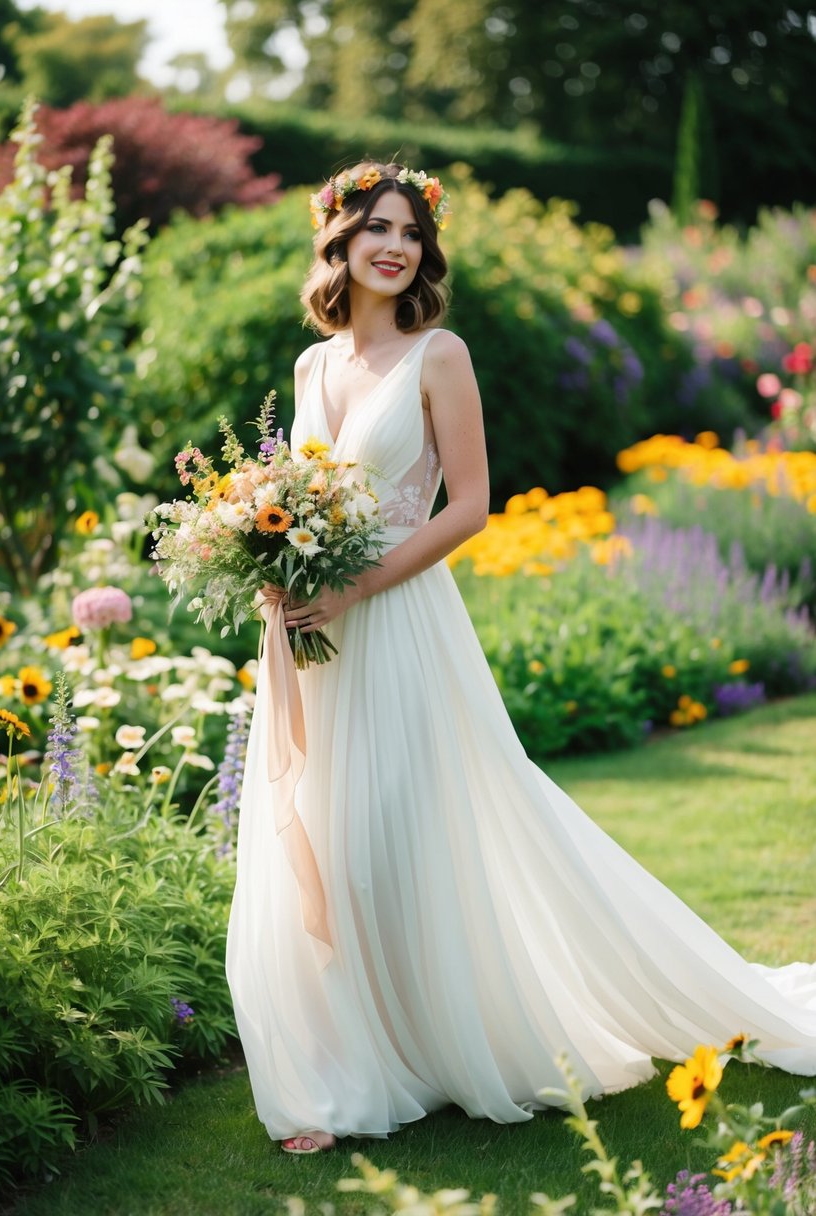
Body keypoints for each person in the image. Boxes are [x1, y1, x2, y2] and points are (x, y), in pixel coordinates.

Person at [225, 162, 816, 1157]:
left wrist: (352, 586)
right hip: (314, 642)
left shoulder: (438, 354)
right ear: (336, 241)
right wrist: (272, 571)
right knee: (323, 840)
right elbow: (295, 496)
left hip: (403, 626)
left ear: (424, 249)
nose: (394, 246)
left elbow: (469, 506)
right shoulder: (311, 367)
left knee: (387, 841)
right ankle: (353, 1070)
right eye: (374, 227)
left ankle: (459, 1039)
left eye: (409, 231)